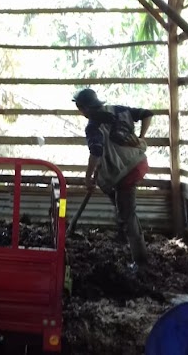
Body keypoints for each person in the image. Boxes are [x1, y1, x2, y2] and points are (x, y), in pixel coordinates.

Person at [73, 88, 153, 267]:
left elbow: (96, 152)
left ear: (83, 108)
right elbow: (146, 114)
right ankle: (121, 219)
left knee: (129, 214)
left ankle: (141, 261)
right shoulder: (116, 109)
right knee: (105, 183)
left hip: (125, 172)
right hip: (138, 161)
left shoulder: (93, 126)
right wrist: (141, 137)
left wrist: (87, 177)